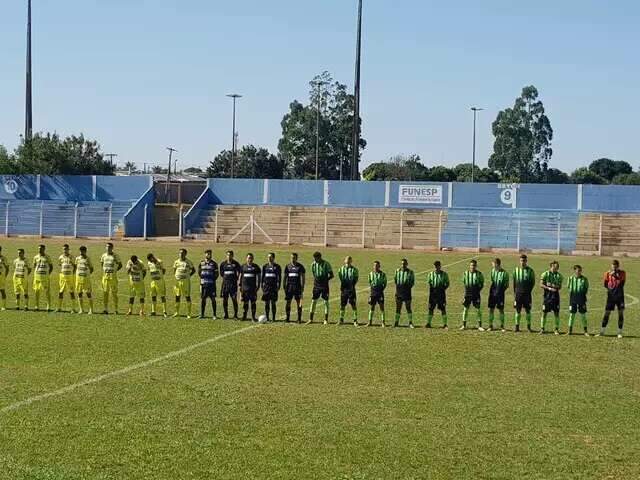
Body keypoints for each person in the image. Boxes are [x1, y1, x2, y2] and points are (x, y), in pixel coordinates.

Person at [597, 260, 626, 339]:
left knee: (620, 313)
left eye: (615, 266)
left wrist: (616, 276)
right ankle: (602, 331)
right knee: (607, 313)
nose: (614, 267)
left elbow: (622, 283)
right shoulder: (607, 274)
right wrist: (611, 289)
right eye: (613, 266)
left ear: (618, 266)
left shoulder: (622, 273)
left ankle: (619, 332)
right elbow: (605, 284)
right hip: (611, 297)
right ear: (611, 266)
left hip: (620, 297)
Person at [309, 251, 333, 325]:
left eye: (316, 258)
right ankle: (310, 319)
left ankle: (326, 320)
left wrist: (326, 280)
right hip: (316, 285)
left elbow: (331, 275)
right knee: (313, 301)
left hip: (324, 285)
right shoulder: (313, 264)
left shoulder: (326, 264)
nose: (315, 260)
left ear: (319, 257)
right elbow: (314, 274)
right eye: (314, 259)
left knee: (326, 301)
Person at [513, 254, 536, 332]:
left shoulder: (530, 271)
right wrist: (515, 292)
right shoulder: (516, 270)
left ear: (526, 261)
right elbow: (514, 282)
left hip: (527, 294)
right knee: (518, 310)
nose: (523, 262)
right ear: (519, 261)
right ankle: (517, 327)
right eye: (521, 260)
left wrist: (529, 290)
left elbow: (533, 282)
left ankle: (529, 327)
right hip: (518, 294)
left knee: (528, 311)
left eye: (524, 261)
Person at [540, 261, 563, 335]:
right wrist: (549, 288)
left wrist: (554, 286)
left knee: (556, 313)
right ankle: (542, 329)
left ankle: (556, 329)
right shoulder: (545, 274)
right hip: (547, 296)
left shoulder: (559, 276)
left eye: (557, 267)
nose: (556, 268)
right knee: (544, 313)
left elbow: (560, 286)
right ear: (551, 266)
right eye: (555, 267)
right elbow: (541, 284)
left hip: (555, 296)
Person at [100, 242, 123, 314]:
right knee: (105, 293)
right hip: (105, 277)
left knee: (114, 294)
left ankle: (116, 310)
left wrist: (115, 270)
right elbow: (102, 264)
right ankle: (105, 309)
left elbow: (120, 265)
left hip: (113, 277)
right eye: (107, 247)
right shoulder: (103, 256)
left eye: (109, 247)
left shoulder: (115, 256)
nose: (108, 248)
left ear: (112, 248)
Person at [461, 259, 484, 330]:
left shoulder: (479, 274)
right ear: (469, 265)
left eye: (474, 265)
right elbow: (464, 283)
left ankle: (480, 326)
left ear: (476, 266)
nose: (472, 267)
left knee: (478, 310)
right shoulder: (465, 273)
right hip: (467, 294)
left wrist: (477, 291)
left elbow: (481, 284)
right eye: (471, 265)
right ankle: (463, 325)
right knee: (465, 309)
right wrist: (465, 293)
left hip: (476, 294)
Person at [567, 265, 589, 336]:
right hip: (573, 299)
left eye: (580, 270)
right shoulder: (570, 278)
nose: (579, 272)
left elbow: (586, 288)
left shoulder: (584, 279)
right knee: (571, 315)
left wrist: (582, 295)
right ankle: (569, 331)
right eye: (578, 270)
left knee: (583, 315)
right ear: (574, 271)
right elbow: (568, 287)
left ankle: (585, 331)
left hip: (581, 299)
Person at [488, 258, 509, 332]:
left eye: (493, 263)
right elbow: (492, 281)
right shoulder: (492, 271)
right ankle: (490, 326)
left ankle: (502, 326)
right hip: (492, 293)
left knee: (501, 310)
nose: (492, 265)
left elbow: (506, 285)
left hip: (500, 294)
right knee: (491, 309)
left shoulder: (504, 273)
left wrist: (500, 291)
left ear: (496, 264)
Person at [283, 253, 306, 323]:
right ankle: (287, 318)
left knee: (299, 303)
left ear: (297, 258)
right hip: (289, 287)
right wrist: (284, 286)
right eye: (292, 258)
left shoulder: (300, 266)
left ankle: (299, 319)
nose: (293, 259)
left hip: (297, 287)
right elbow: (285, 277)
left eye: (294, 258)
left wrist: (302, 287)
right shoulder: (287, 266)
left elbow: (303, 278)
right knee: (288, 302)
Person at [173, 248, 195, 318]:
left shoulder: (188, 262)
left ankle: (188, 314)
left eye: (182, 253)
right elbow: (174, 270)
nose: (181, 254)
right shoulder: (176, 262)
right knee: (177, 296)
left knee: (187, 296)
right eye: (180, 253)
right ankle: (177, 312)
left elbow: (193, 270)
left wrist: (188, 276)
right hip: (177, 282)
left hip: (185, 282)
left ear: (185, 254)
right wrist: (177, 276)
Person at [427, 261, 449, 329]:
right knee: (431, 309)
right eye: (435, 266)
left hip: (441, 294)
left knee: (443, 309)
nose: (436, 267)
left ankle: (445, 324)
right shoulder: (430, 274)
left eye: (437, 266)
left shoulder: (444, 274)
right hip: (433, 294)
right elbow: (429, 283)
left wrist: (443, 289)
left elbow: (447, 283)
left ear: (440, 266)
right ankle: (428, 323)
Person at [219, 250, 242, 319]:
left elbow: (240, 272)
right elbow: (222, 274)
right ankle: (226, 315)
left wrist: (237, 279)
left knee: (234, 299)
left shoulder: (236, 263)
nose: (229, 256)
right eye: (228, 255)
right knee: (225, 300)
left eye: (230, 255)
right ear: (226, 256)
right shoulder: (223, 264)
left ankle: (235, 315)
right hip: (225, 285)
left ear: (232, 256)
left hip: (233, 285)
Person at [394, 258, 415, 328]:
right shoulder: (397, 271)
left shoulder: (410, 272)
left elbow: (412, 282)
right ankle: (396, 322)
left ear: (407, 264)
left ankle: (410, 323)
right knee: (398, 308)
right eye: (402, 263)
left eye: (404, 264)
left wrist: (407, 288)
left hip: (407, 292)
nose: (403, 265)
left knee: (408, 307)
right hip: (399, 291)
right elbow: (395, 280)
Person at [338, 256, 359, 326]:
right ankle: (341, 319)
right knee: (342, 305)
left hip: (351, 290)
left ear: (351, 262)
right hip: (344, 290)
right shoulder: (341, 269)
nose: (348, 263)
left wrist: (351, 286)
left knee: (353, 305)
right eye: (347, 261)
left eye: (349, 261)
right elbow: (340, 277)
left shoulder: (354, 270)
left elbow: (356, 279)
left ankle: (355, 320)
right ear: (344, 261)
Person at [239, 253, 261, 321]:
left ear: (253, 259)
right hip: (244, 289)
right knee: (245, 303)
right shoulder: (243, 266)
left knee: (253, 303)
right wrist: (239, 286)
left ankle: (253, 317)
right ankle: (244, 316)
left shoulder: (256, 267)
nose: (250, 259)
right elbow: (240, 277)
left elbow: (259, 277)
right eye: (248, 258)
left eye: (251, 258)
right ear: (246, 259)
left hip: (252, 289)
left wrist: (258, 286)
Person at [198, 249, 219, 319]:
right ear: (205, 254)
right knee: (203, 299)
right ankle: (202, 314)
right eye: (207, 254)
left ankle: (214, 315)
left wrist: (212, 280)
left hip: (211, 285)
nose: (208, 255)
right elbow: (199, 273)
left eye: (210, 254)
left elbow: (217, 274)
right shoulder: (201, 263)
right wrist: (203, 281)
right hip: (204, 285)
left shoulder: (214, 264)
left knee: (213, 299)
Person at [261, 253, 281, 322]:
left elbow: (279, 278)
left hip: (274, 288)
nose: (269, 258)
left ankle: (273, 318)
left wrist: (278, 286)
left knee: (273, 303)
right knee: (267, 303)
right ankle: (267, 317)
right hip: (266, 288)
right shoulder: (265, 266)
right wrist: (262, 287)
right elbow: (262, 278)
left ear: (273, 258)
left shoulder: (277, 267)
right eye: (268, 257)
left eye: (271, 257)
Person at [32, 244, 53, 311]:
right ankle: (36, 306)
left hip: (45, 277)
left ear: (44, 249)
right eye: (39, 248)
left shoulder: (47, 257)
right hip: (37, 277)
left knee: (47, 292)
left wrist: (47, 273)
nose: (39, 250)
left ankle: (48, 306)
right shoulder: (35, 257)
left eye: (41, 248)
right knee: (36, 291)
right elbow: (34, 266)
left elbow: (51, 267)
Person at [57, 244, 77, 313]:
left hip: (70, 277)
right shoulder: (60, 257)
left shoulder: (72, 257)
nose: (65, 250)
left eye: (66, 249)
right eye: (64, 249)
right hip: (62, 277)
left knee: (71, 292)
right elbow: (60, 265)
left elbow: (75, 266)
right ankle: (59, 308)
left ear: (68, 249)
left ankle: (73, 308)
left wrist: (73, 273)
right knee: (60, 292)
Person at [368, 261, 387, 327]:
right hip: (373, 292)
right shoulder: (370, 274)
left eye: (377, 265)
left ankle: (383, 322)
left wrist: (381, 289)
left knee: (382, 307)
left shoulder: (383, 274)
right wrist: (373, 289)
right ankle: (370, 322)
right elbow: (370, 282)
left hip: (380, 292)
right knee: (372, 307)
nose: (375, 267)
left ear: (379, 266)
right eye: (374, 265)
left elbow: (385, 283)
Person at [75, 246, 94, 314]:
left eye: (82, 251)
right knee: (79, 293)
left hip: (86, 279)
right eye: (80, 251)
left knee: (88, 293)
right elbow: (75, 267)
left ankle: (91, 310)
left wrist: (87, 274)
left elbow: (91, 268)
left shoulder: (88, 259)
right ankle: (81, 309)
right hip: (78, 279)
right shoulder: (77, 258)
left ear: (85, 251)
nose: (81, 252)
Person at [0, 246, 9, 310]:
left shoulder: (3, 258)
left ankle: (4, 306)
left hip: (1, 277)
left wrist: (5, 276)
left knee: (2, 291)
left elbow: (7, 268)